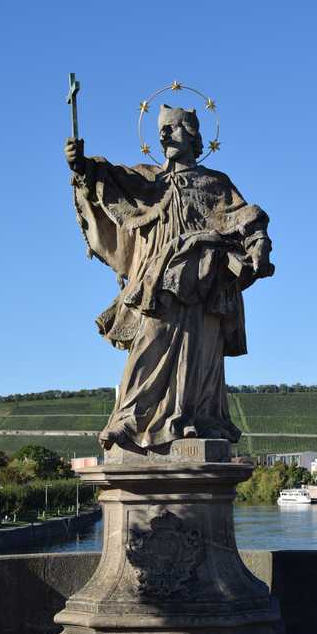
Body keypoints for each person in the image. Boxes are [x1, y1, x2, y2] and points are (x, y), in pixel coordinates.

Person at [65, 105, 274, 451]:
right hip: (159, 279)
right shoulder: (147, 180)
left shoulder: (215, 183)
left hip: (206, 282)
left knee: (200, 353)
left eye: (173, 127)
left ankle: (194, 420)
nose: (164, 134)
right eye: (161, 129)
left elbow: (249, 220)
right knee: (151, 340)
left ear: (193, 136)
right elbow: (106, 180)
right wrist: (82, 166)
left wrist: (259, 247)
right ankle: (129, 420)